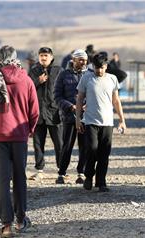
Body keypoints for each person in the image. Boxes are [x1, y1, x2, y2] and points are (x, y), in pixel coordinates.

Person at [0, 45, 39, 237]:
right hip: (19, 135)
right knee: (20, 177)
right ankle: (21, 220)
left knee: (2, 181)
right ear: (15, 58)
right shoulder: (26, 80)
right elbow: (34, 111)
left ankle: (6, 225)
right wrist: (27, 130)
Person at [76, 51, 126, 192]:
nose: (100, 70)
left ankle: (101, 181)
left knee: (104, 154)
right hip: (91, 121)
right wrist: (78, 120)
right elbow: (79, 99)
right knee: (91, 150)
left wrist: (122, 120)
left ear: (106, 66)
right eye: (97, 68)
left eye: (102, 67)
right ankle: (89, 177)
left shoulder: (112, 79)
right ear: (93, 66)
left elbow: (116, 101)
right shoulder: (87, 78)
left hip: (107, 123)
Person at [28, 47, 63, 180]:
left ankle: (61, 169)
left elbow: (64, 90)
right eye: (41, 55)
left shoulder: (59, 71)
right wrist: (38, 81)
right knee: (38, 143)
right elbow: (27, 89)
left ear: (51, 56)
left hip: (55, 113)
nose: (43, 58)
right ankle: (40, 170)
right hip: (38, 113)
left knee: (59, 143)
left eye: (46, 55)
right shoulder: (33, 71)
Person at [54, 49, 88, 184]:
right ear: (73, 60)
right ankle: (61, 173)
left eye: (85, 60)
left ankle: (81, 173)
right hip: (69, 117)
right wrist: (70, 106)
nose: (83, 62)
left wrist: (87, 105)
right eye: (80, 60)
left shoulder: (89, 75)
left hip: (86, 117)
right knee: (67, 146)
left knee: (84, 146)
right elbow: (57, 96)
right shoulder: (63, 75)